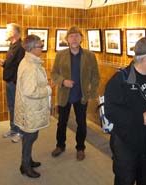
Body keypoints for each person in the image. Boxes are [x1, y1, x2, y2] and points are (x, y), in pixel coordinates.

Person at [104, 36, 146, 185]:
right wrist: (140, 118)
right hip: (127, 147)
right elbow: (110, 111)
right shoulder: (120, 80)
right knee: (125, 180)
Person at [51, 26, 100, 161]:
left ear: (81, 39)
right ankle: (60, 146)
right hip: (64, 95)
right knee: (62, 122)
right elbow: (54, 73)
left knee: (81, 123)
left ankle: (80, 148)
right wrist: (63, 81)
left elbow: (96, 76)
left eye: (77, 36)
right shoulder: (60, 55)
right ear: (67, 39)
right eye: (71, 36)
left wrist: (92, 92)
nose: (74, 38)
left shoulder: (90, 56)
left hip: (81, 96)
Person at [14, 35, 52, 178]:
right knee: (30, 137)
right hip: (30, 108)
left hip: (30, 108)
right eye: (40, 46)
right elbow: (30, 91)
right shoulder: (30, 66)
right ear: (32, 48)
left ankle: (27, 160)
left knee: (29, 136)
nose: (42, 48)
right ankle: (25, 166)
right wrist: (48, 89)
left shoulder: (30, 62)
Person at [0, 23, 25, 143]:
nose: (5, 33)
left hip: (16, 83)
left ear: (14, 33)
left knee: (18, 108)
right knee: (12, 107)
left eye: (7, 31)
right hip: (9, 82)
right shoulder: (12, 46)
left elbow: (21, 67)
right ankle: (13, 129)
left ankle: (20, 132)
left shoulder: (21, 47)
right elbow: (13, 65)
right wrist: (4, 63)